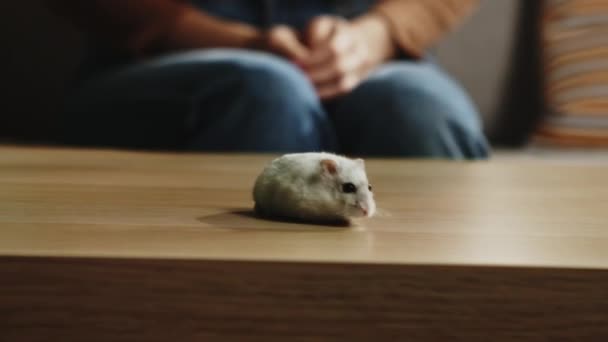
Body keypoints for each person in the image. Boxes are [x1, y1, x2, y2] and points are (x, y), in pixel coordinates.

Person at [47, 0, 490, 159]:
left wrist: (378, 35)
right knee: (266, 92)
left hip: (374, 51)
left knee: (421, 111)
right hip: (157, 65)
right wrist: (244, 43)